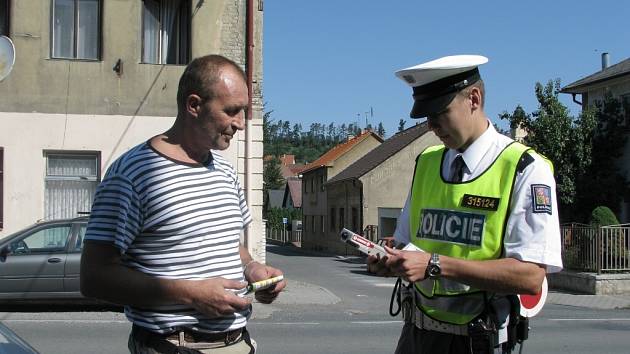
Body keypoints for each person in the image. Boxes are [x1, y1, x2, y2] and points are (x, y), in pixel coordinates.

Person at [80, 54, 286, 354]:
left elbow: (231, 246)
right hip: (172, 346)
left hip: (237, 342)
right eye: (231, 111)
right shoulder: (132, 174)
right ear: (194, 105)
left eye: (243, 111)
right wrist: (191, 295)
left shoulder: (226, 171)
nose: (240, 123)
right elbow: (94, 278)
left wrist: (252, 268)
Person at [367, 55, 562, 354]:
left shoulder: (524, 167)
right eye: (426, 116)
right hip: (416, 335)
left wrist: (435, 265)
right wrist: (390, 258)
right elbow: (409, 245)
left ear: (474, 98)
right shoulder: (427, 162)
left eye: (440, 112)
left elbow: (531, 276)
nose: (431, 125)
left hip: (478, 341)